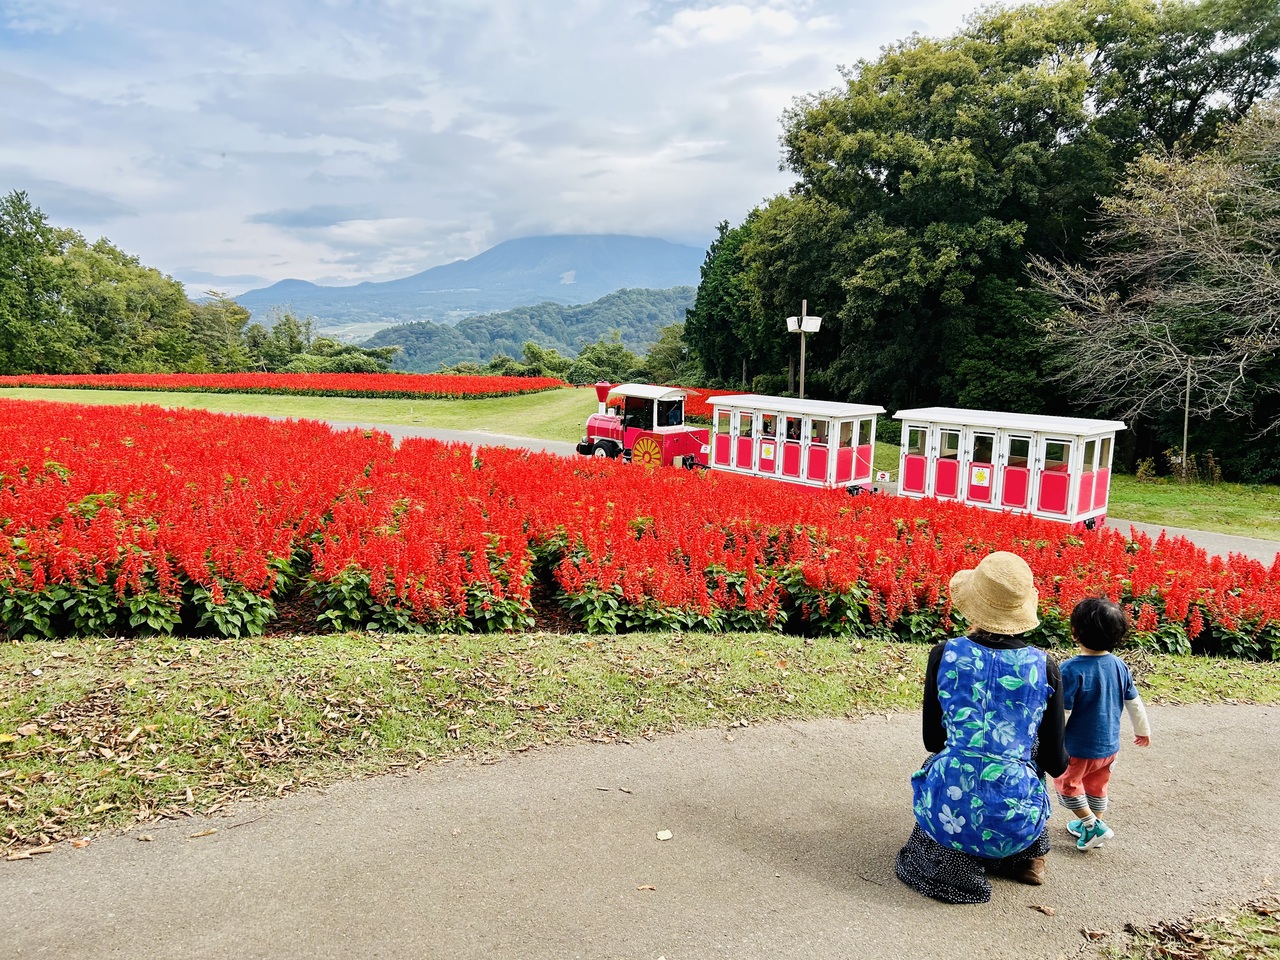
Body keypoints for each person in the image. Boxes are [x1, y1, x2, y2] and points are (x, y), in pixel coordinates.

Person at [895, 551, 1067, 904]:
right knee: (1028, 752)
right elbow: (1055, 761)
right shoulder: (1045, 666)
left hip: (950, 813)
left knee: (950, 769)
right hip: (1013, 821)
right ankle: (1026, 857)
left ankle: (959, 859)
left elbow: (933, 741)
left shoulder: (944, 653)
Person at [1053, 597, 1151, 851]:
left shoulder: (1071, 669)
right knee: (1096, 786)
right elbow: (1135, 702)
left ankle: (1093, 827)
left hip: (1078, 748)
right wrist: (1143, 731)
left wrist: (1053, 738)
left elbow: (1063, 712)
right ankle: (1094, 823)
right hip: (1108, 748)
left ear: (1075, 631)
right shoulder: (1120, 666)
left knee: (1067, 785)